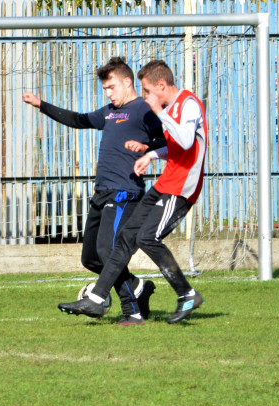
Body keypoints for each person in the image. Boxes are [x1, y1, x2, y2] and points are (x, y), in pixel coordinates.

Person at [59, 60, 206, 324]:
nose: (146, 96)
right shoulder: (170, 109)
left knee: (148, 238)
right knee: (127, 237)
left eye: (147, 91)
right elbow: (173, 148)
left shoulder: (188, 104)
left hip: (183, 186)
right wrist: (150, 154)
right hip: (166, 182)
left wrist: (158, 112)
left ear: (161, 85)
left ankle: (187, 293)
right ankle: (97, 299)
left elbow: (185, 141)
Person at [22, 56, 165, 325]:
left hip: (124, 193)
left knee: (108, 250)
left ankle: (132, 311)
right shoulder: (109, 112)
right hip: (101, 194)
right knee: (91, 258)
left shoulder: (143, 109)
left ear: (127, 82)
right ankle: (137, 287)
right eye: (105, 89)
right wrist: (41, 104)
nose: (109, 94)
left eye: (112, 87)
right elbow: (78, 119)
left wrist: (148, 149)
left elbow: (166, 139)